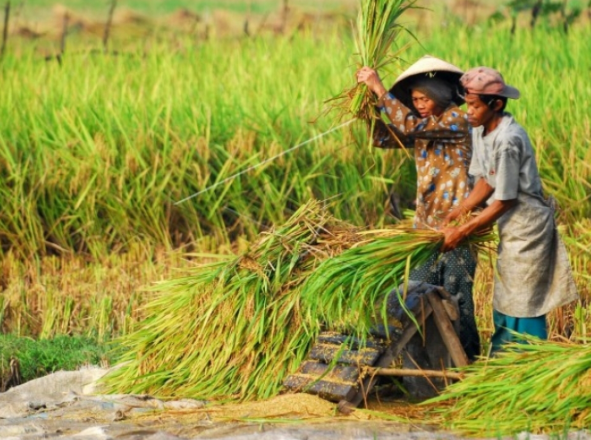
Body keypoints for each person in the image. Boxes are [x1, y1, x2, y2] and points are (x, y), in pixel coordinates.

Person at [441, 66, 579, 355]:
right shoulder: (481, 129)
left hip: (527, 226)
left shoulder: (509, 140)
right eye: (467, 104)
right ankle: (505, 359)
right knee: (506, 293)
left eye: (476, 106)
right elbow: (486, 180)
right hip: (509, 223)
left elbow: (505, 199)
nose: (469, 111)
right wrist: (460, 210)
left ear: (497, 105)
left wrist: (463, 231)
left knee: (524, 296)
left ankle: (528, 361)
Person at [357, 55, 481, 361]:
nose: (420, 103)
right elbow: (386, 137)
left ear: (439, 95)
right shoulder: (424, 130)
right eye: (414, 99)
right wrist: (367, 110)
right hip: (425, 228)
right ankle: (432, 367)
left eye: (425, 97)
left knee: (457, 300)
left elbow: (407, 124)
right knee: (422, 298)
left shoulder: (455, 120)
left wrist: (378, 88)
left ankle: (467, 365)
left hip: (456, 228)